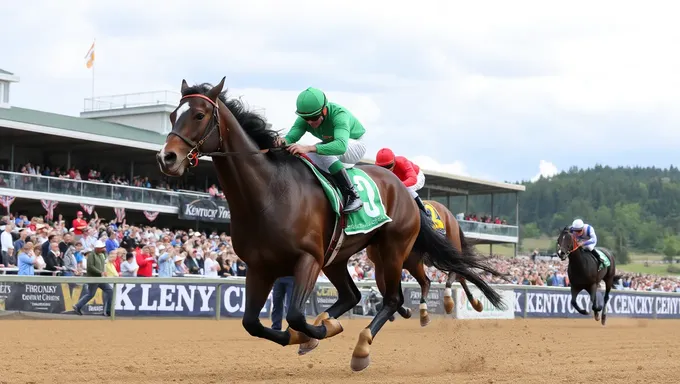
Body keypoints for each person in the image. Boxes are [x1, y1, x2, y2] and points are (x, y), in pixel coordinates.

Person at [278, 87, 366, 213]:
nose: (310, 122)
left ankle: (352, 195)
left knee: (322, 153)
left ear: (324, 110)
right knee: (304, 157)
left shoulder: (339, 115)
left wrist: (309, 147)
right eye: (305, 118)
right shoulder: (307, 118)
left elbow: (341, 146)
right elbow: (291, 138)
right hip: (333, 144)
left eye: (314, 118)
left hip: (354, 143)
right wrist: (281, 141)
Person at [374, 148, 430, 217]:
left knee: (407, 189)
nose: (386, 170)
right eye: (382, 168)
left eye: (388, 166)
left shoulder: (402, 161)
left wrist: (397, 185)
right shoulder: (377, 169)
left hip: (417, 177)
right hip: (399, 180)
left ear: (394, 161)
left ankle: (424, 211)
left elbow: (413, 179)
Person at [72, 240, 113, 317]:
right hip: (93, 278)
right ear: (96, 248)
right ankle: (77, 306)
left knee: (110, 291)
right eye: (100, 248)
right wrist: (100, 272)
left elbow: (102, 265)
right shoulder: (91, 255)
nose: (102, 249)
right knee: (91, 294)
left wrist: (103, 272)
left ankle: (108, 311)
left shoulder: (101, 255)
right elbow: (90, 267)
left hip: (100, 278)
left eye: (102, 248)